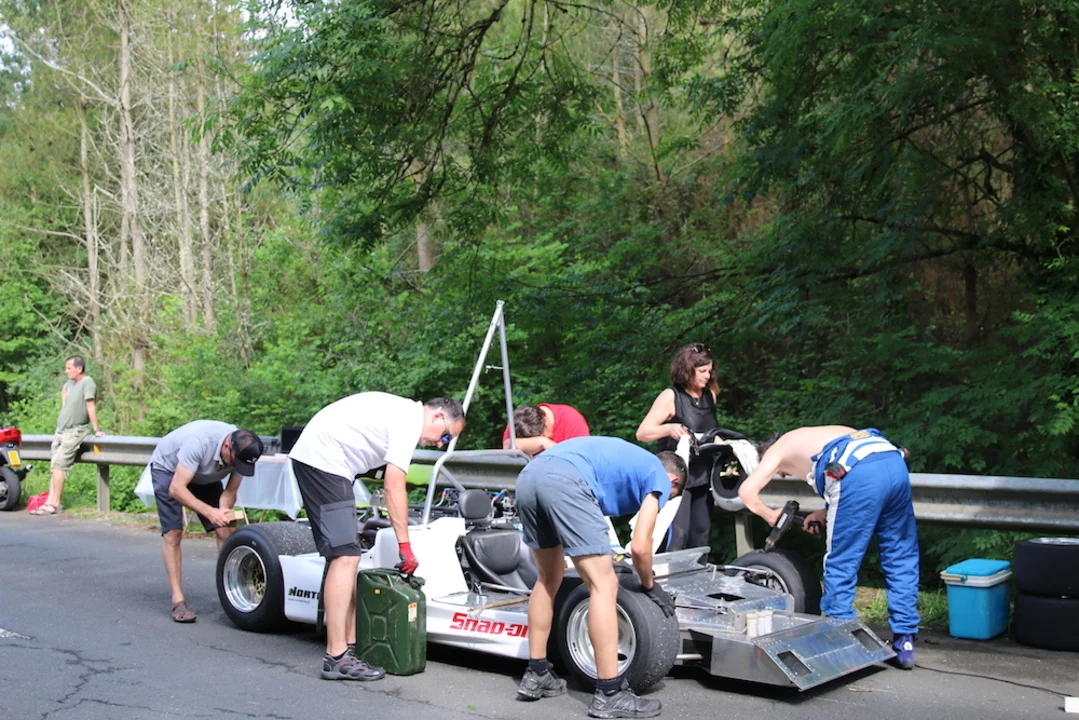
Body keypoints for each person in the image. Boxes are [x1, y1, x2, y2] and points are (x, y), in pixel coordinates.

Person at [288, 393, 465, 681]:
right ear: (437, 416)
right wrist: (405, 546)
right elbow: (394, 485)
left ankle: (348, 647)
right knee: (345, 556)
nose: (440, 444)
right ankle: (336, 657)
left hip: (330, 462)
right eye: (445, 436)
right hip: (324, 461)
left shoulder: (404, 413)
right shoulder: (409, 422)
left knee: (347, 556)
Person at [514, 436, 686, 718]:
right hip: (565, 481)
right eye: (671, 497)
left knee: (547, 578)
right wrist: (650, 585)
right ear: (673, 480)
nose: (664, 502)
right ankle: (609, 693)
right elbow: (640, 546)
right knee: (603, 584)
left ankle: (537, 674)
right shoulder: (659, 476)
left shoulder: (631, 461)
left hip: (529, 476)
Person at [737, 426, 919, 669]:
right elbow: (862, 469)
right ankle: (904, 643)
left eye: (779, 473)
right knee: (900, 555)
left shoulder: (777, 448)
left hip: (856, 473)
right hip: (892, 462)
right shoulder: (817, 434)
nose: (783, 475)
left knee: (841, 563)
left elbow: (746, 492)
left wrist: (770, 515)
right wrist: (824, 512)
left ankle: (841, 638)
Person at [148, 420, 265, 622]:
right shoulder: (198, 442)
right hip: (170, 470)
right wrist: (210, 513)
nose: (236, 468)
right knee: (173, 533)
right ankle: (178, 601)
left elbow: (230, 490)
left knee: (225, 530)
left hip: (204, 474)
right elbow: (176, 489)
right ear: (227, 446)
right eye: (235, 463)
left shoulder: (241, 453)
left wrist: (222, 513)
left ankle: (233, 589)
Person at [635, 343, 719, 551]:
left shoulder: (710, 395)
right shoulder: (671, 396)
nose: (707, 376)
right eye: (702, 371)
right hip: (677, 478)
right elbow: (642, 433)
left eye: (709, 371)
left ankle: (698, 571)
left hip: (703, 476)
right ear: (688, 370)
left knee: (701, 534)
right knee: (678, 535)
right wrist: (668, 428)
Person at [31, 355, 106, 516]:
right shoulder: (69, 385)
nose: (66, 371)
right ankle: (49, 501)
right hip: (61, 430)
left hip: (75, 431)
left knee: (60, 465)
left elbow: (90, 405)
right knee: (55, 466)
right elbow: (65, 404)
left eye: (69, 368)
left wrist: (96, 429)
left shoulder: (88, 382)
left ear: (79, 368)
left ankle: (55, 503)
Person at [501, 403, 590, 455]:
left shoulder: (572, 419)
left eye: (542, 435)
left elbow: (582, 457)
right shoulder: (520, 421)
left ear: (546, 421)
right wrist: (542, 442)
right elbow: (508, 446)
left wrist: (554, 448)